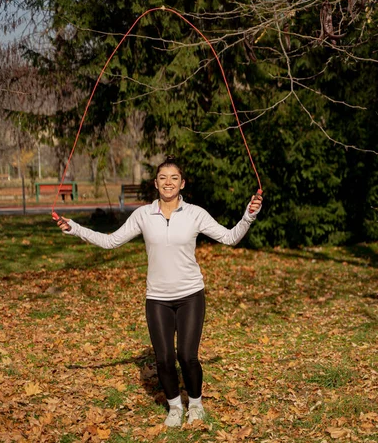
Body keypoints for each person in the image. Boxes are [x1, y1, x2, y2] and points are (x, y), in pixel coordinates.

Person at [56, 157, 263, 427]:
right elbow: (110, 241)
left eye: (174, 178)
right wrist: (75, 229)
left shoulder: (195, 214)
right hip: (157, 299)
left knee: (186, 356)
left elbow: (230, 237)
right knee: (164, 359)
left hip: (190, 295)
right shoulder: (143, 215)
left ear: (182, 183)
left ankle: (196, 405)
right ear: (156, 183)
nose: (168, 182)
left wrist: (249, 214)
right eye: (163, 178)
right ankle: (175, 407)